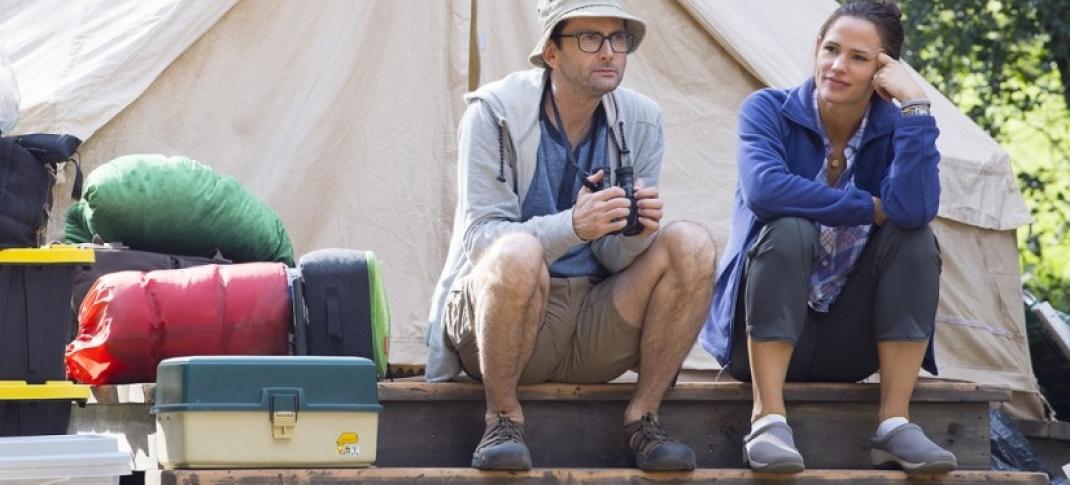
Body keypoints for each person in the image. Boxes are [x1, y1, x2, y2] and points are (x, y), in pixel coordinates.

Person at [425, 0, 717, 472]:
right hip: (506, 323)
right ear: (551, 52)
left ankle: (645, 419)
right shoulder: (493, 113)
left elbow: (618, 258)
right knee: (515, 251)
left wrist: (636, 231)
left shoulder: (641, 119)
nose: (608, 52)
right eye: (589, 38)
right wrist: (574, 225)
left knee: (692, 243)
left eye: (618, 38)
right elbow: (481, 241)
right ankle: (501, 418)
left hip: (595, 320)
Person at [700, 0, 956, 474]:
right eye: (832, 49)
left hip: (848, 344)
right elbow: (765, 191)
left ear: (884, 70)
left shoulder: (898, 128)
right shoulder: (768, 110)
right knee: (788, 228)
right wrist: (867, 208)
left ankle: (895, 424)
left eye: (858, 58)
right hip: (756, 338)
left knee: (916, 240)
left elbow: (915, 211)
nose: (838, 66)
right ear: (816, 47)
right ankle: (768, 419)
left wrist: (917, 109)